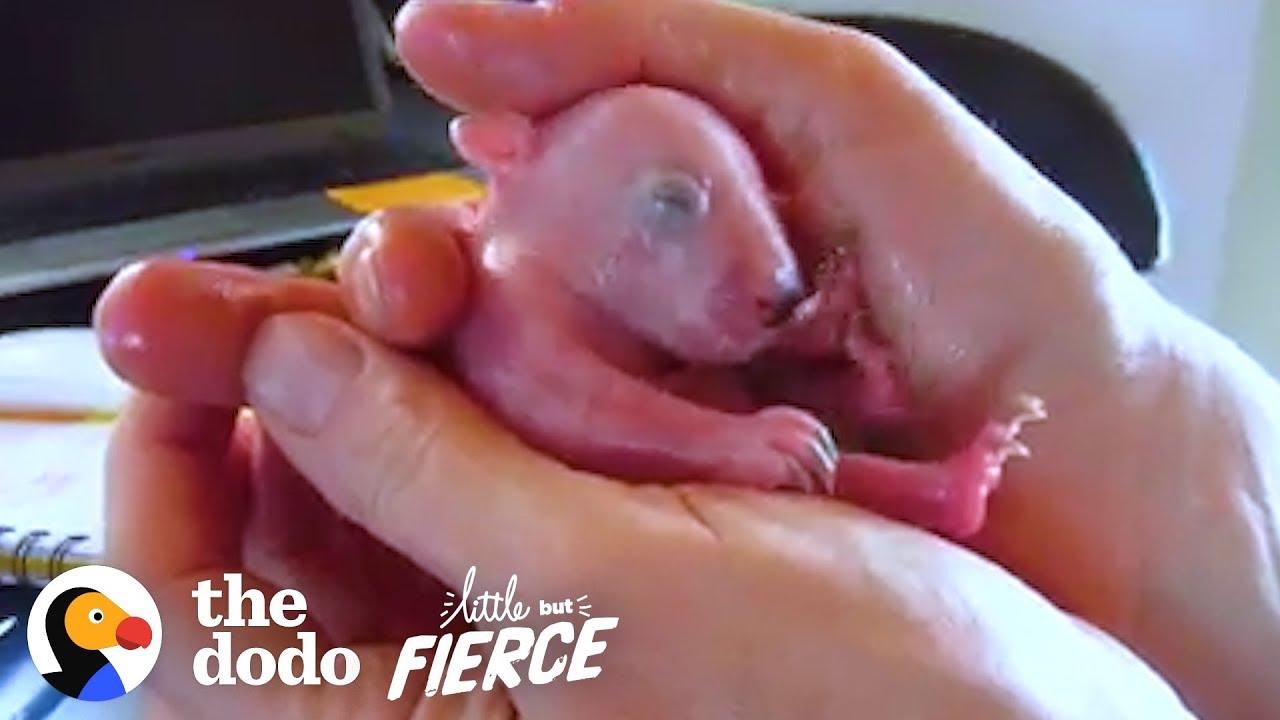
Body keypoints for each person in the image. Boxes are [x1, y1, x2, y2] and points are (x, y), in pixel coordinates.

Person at [92, 0, 1279, 717]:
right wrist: (721, 437)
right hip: (680, 459)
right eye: (671, 208)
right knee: (780, 454)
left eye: (752, 207)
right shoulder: (503, 301)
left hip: (719, 461)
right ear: (507, 161)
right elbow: (582, 408)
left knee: (799, 454)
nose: (762, 266)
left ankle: (931, 486)